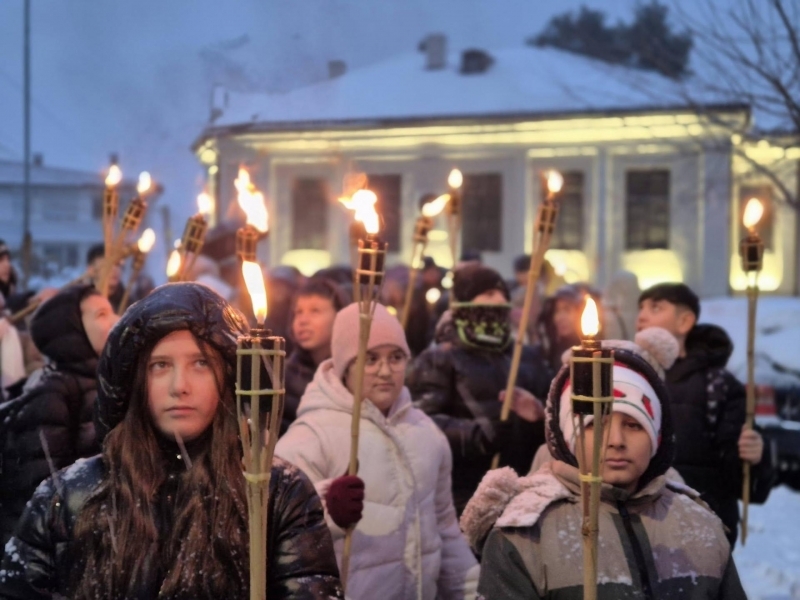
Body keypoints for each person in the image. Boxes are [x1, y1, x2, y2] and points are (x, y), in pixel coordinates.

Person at [0, 283, 343, 599]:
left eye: (201, 364)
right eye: (160, 365)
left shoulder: (276, 494)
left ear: (227, 377)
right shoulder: (70, 496)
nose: (180, 386)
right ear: (135, 380)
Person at [461, 327, 747, 599]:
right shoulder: (524, 534)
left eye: (634, 425)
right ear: (568, 437)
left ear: (657, 437)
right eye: (595, 425)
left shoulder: (698, 522)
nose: (615, 441)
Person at [276, 303, 478, 599]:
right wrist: (327, 511)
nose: (385, 371)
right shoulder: (310, 437)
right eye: (370, 359)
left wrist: (474, 592)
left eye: (396, 357)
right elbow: (282, 540)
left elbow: (445, 531)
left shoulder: (426, 432)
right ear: (346, 367)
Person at [407, 264, 552, 515]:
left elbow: (556, 413)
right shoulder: (439, 359)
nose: (499, 301)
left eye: (503, 294)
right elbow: (421, 422)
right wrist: (477, 436)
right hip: (464, 494)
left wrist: (540, 415)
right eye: (488, 293)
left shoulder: (527, 356)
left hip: (524, 490)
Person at [636, 282, 774, 545]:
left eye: (655, 308)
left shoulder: (718, 386)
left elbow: (741, 480)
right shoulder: (630, 377)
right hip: (639, 525)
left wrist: (756, 457)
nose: (641, 316)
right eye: (640, 308)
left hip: (703, 528)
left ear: (684, 321)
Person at [0, 284, 118, 554]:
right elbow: (42, 493)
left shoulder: (107, 385)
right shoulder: (51, 394)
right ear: (70, 329)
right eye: (101, 314)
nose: (116, 320)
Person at [282, 277, 348, 434]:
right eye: (298, 312)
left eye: (315, 311)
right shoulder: (282, 377)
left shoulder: (353, 375)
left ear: (340, 316)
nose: (303, 320)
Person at [85, 243, 125, 312]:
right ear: (91, 270)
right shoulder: (79, 302)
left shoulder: (129, 303)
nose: (115, 270)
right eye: (107, 265)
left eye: (117, 265)